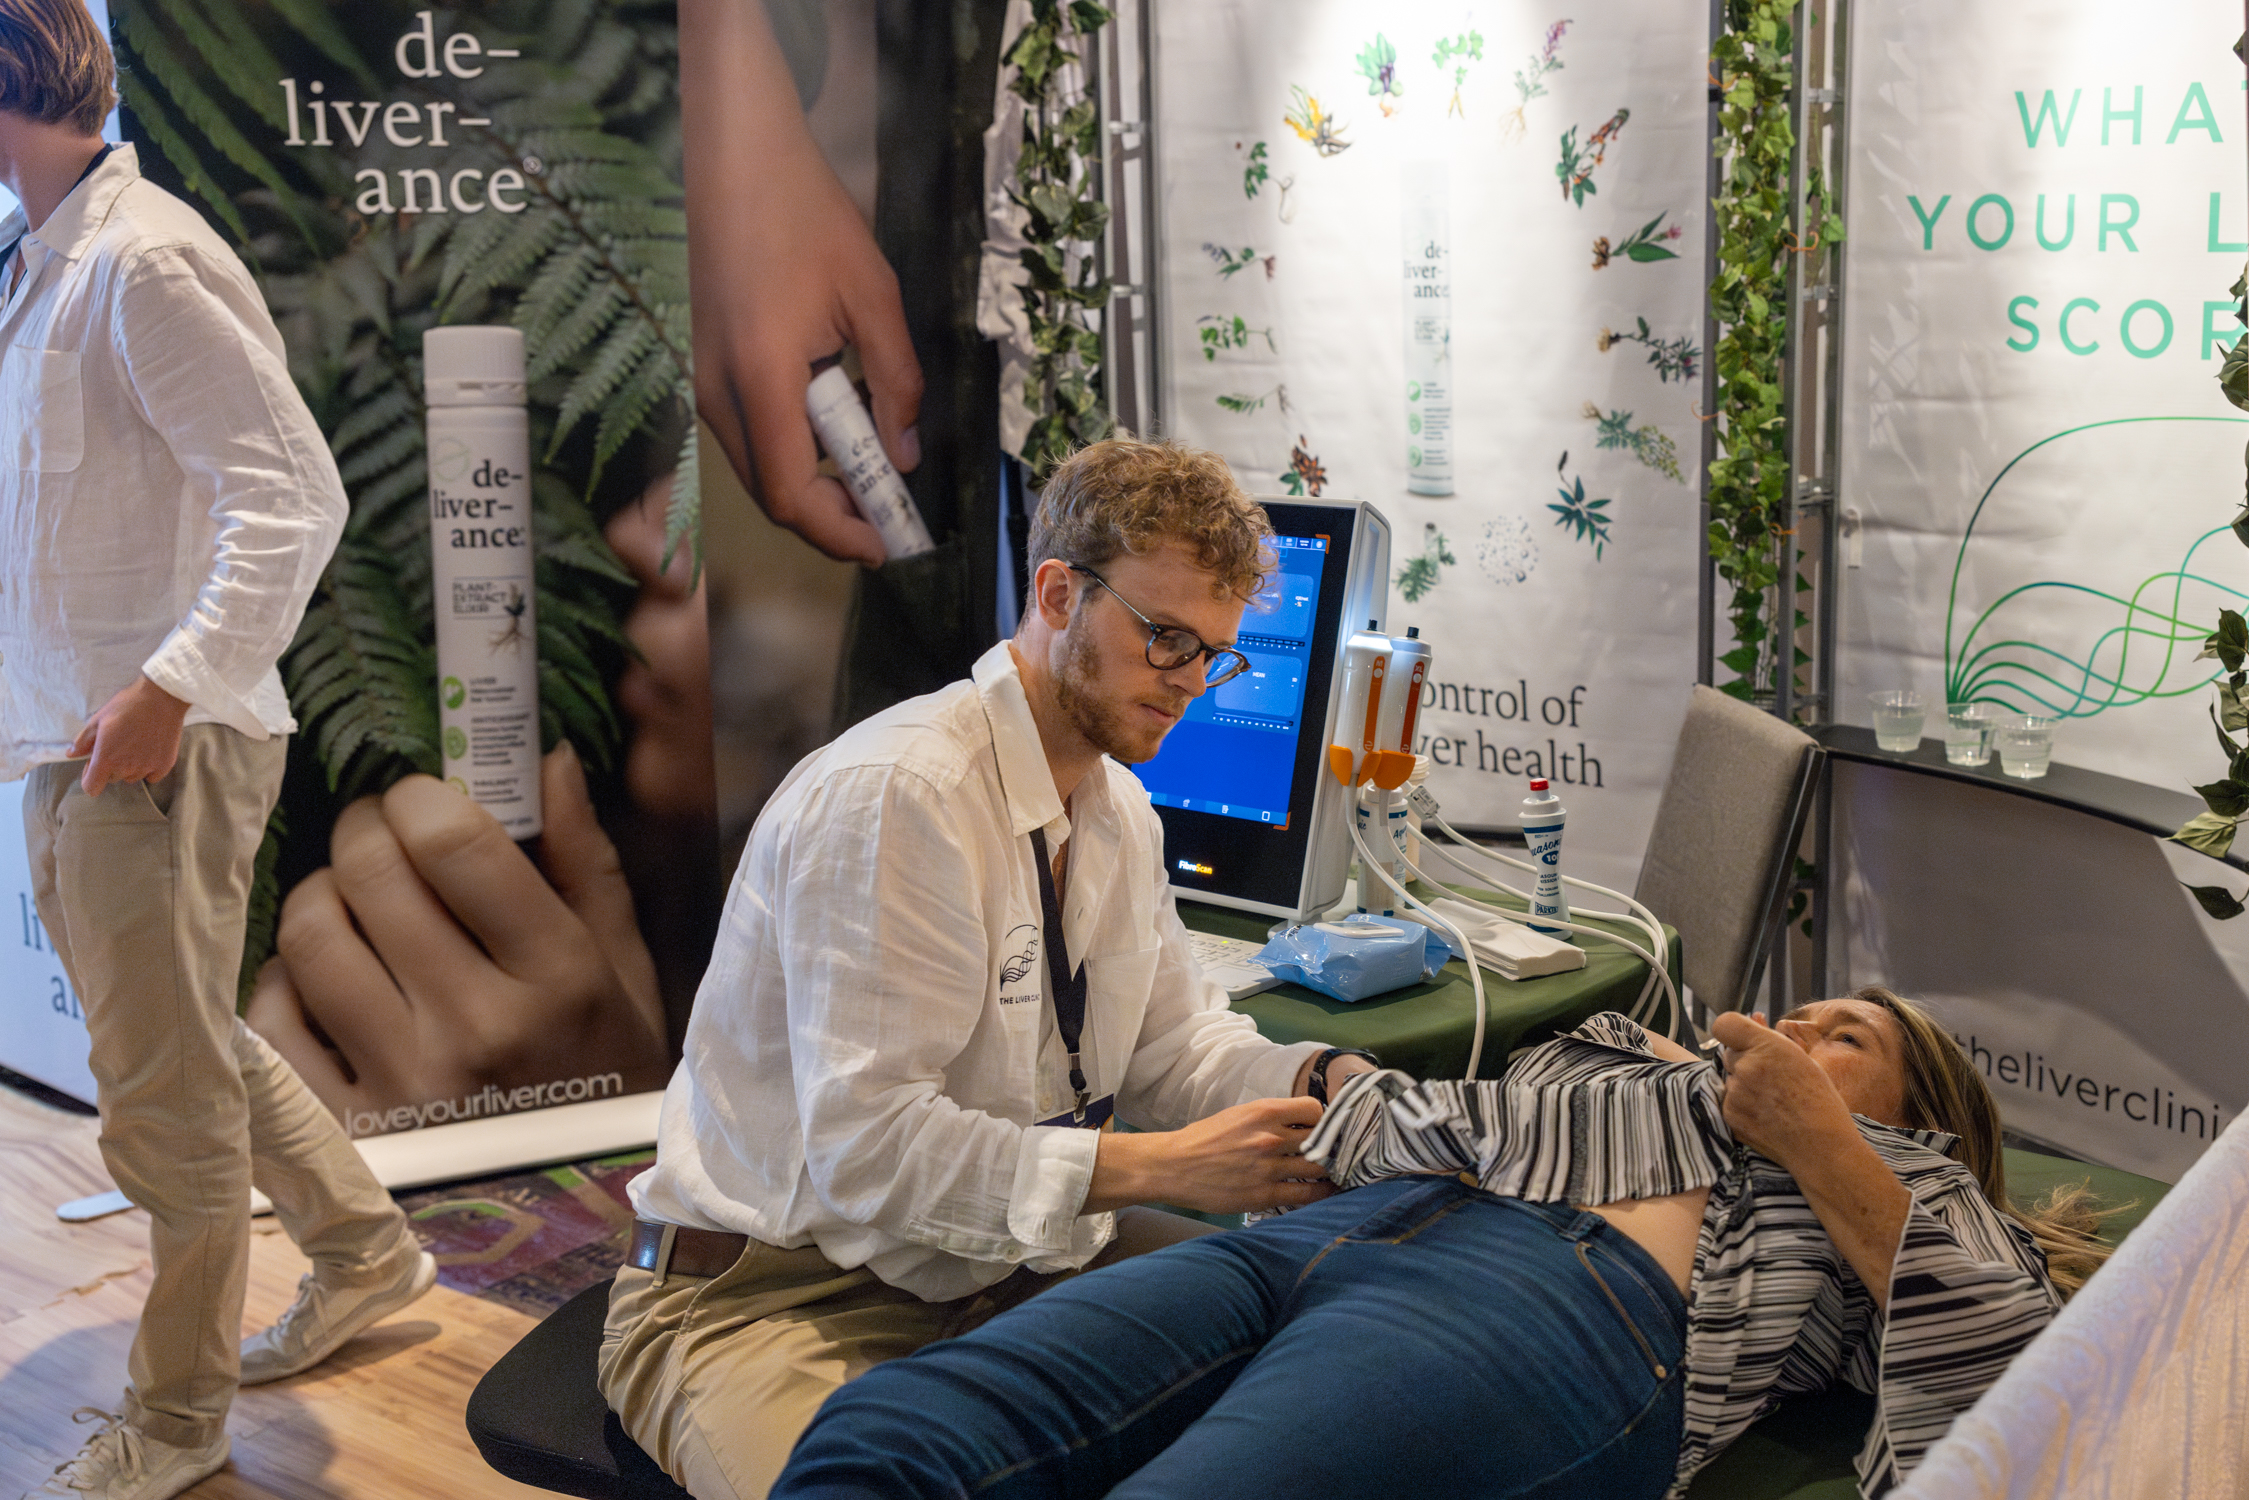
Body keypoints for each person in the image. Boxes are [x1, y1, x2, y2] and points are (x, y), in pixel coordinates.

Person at [600, 438, 1380, 1500]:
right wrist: (1163, 1168)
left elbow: (1171, 1047)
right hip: (775, 1298)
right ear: (1056, 594)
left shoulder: (1118, 810)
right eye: (1163, 639)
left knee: (1341, 1335)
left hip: (1008, 1266)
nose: (1190, 684)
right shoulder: (900, 794)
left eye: (1213, 654)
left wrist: (1320, 1079)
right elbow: (870, 1153)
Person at [769, 989, 2114, 1500]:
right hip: (1339, 1226)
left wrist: (1815, 1137)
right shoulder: (1639, 1065)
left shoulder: (1913, 1186)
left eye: (1844, 1039)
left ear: (1920, 1118)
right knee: (890, 1434)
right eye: (1797, 1014)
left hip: (1552, 1305)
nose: (1794, 1035)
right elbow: (1460, 1110)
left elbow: (2018, 1361)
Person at [0, 5, 433, 1497]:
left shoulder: (142, 259)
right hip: (72, 732)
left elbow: (293, 496)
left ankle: (178, 1422)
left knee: (162, 1096)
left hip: (151, 741)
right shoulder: (43, 259)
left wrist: (171, 688)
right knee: (177, 1038)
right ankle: (365, 1252)